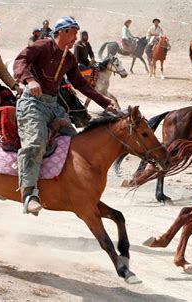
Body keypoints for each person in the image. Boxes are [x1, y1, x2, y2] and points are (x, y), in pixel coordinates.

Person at [13, 16, 117, 214]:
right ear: (61, 31)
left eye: (76, 34)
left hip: (54, 105)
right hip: (32, 103)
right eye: (73, 33)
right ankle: (28, 194)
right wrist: (29, 80)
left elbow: (80, 84)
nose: (75, 38)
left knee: (74, 141)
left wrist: (105, 103)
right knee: (35, 142)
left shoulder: (69, 58)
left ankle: (68, 186)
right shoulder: (43, 45)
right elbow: (21, 60)